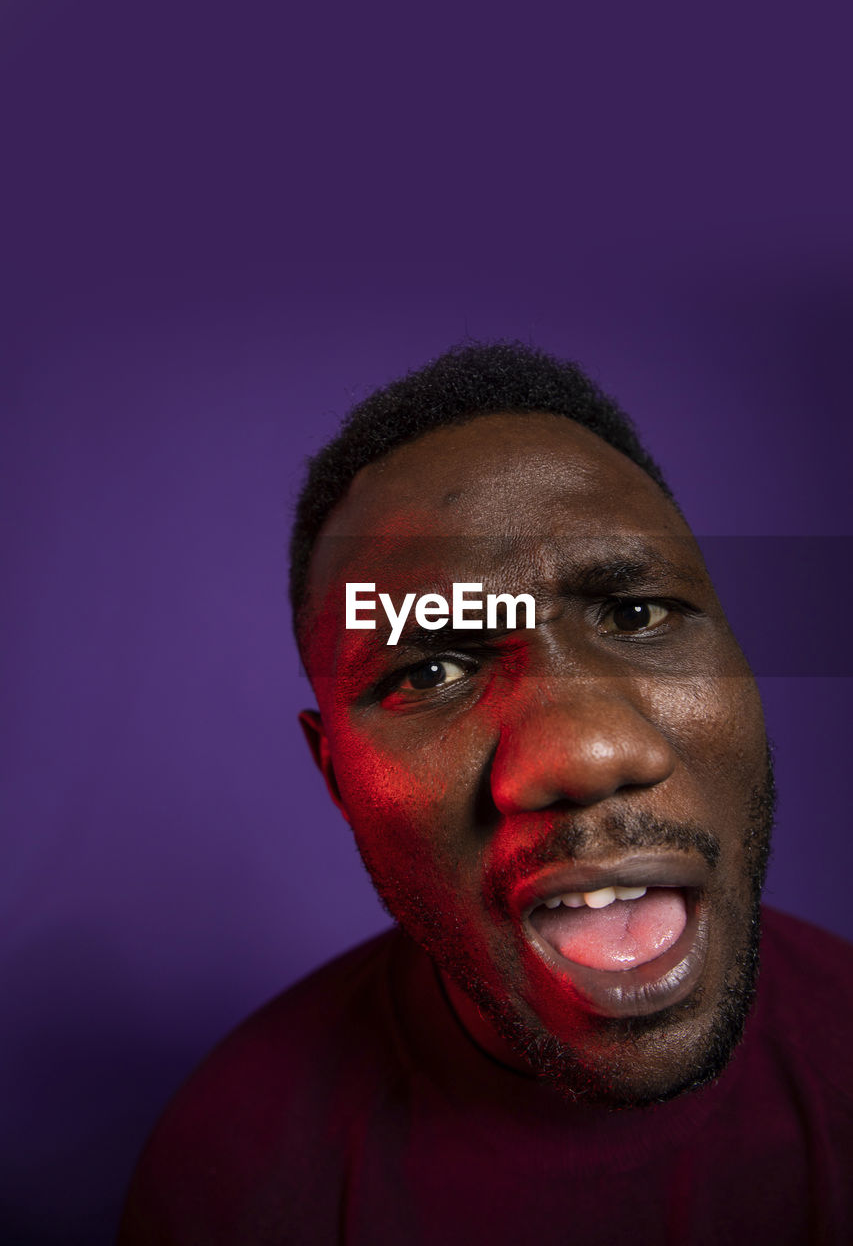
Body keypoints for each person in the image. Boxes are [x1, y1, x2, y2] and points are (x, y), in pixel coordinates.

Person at [118, 343, 853, 1244]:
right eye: (430, 667)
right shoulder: (227, 1180)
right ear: (337, 779)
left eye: (634, 614)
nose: (580, 753)